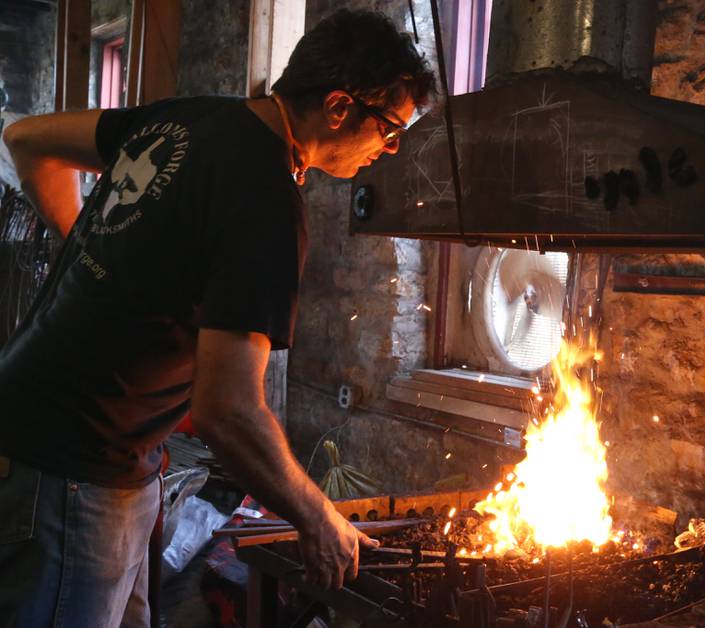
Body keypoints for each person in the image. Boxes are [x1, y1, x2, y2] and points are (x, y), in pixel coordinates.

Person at [0, 8, 435, 627]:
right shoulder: (264, 200)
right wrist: (318, 516)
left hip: (65, 444)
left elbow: (28, 141)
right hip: (72, 469)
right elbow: (227, 409)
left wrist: (94, 251)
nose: (390, 149)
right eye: (391, 129)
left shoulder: (189, 116)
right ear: (339, 108)